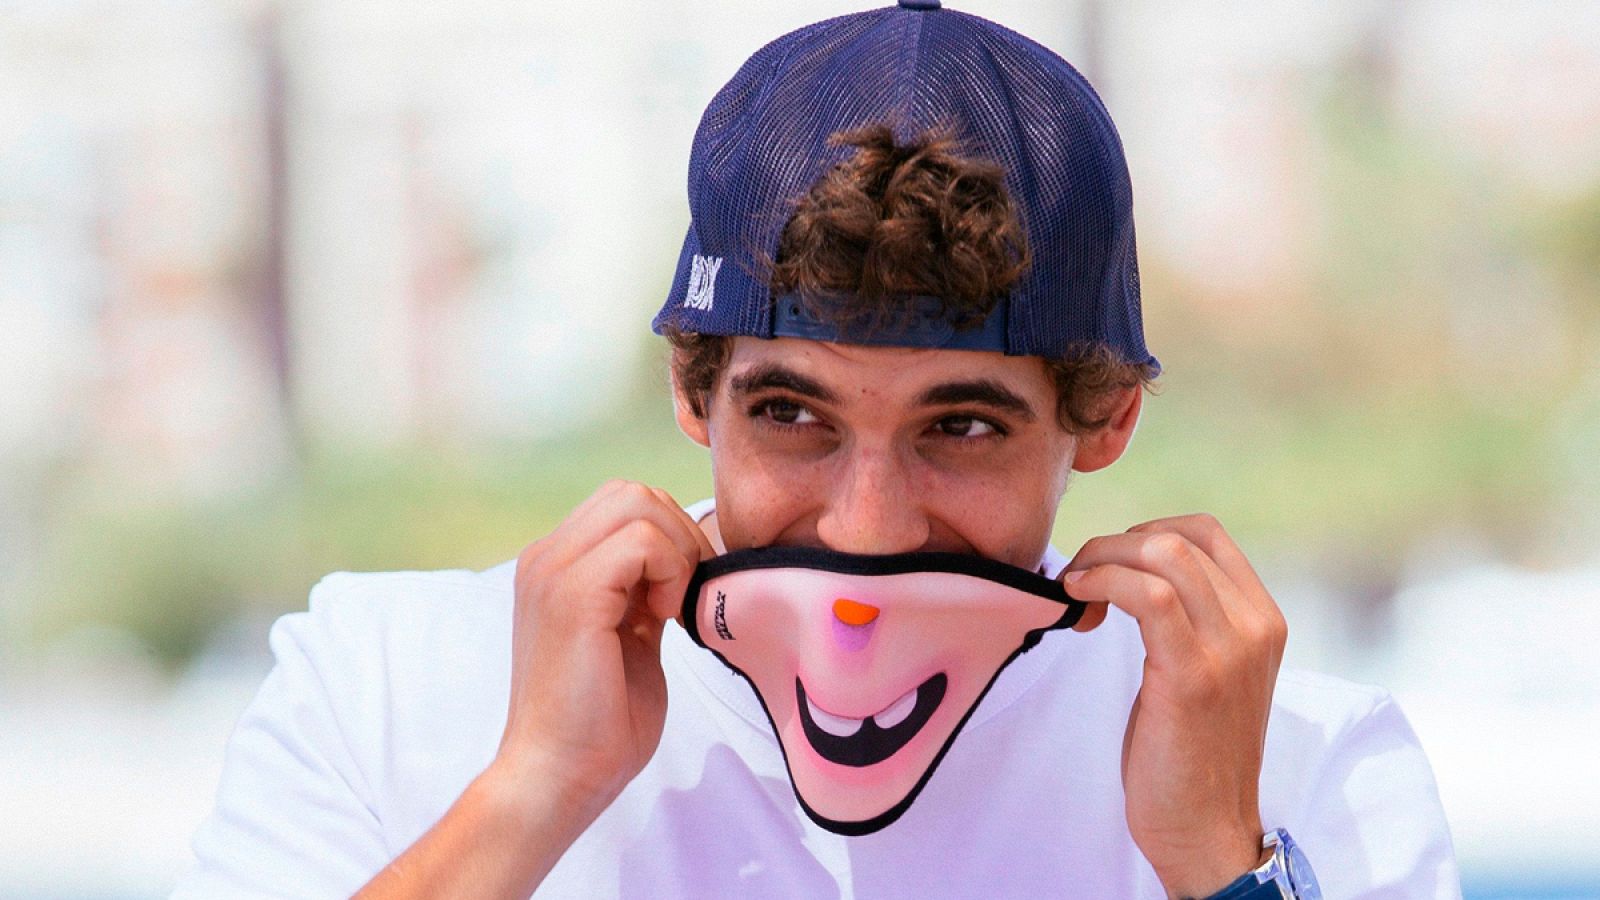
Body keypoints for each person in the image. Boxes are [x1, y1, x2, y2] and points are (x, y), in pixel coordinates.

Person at [176, 2, 1461, 897]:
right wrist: (529, 796)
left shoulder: (1304, 769)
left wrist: (1218, 869)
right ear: (693, 392)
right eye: (792, 415)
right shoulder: (383, 689)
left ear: (1105, 419)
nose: (867, 524)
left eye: (959, 426)